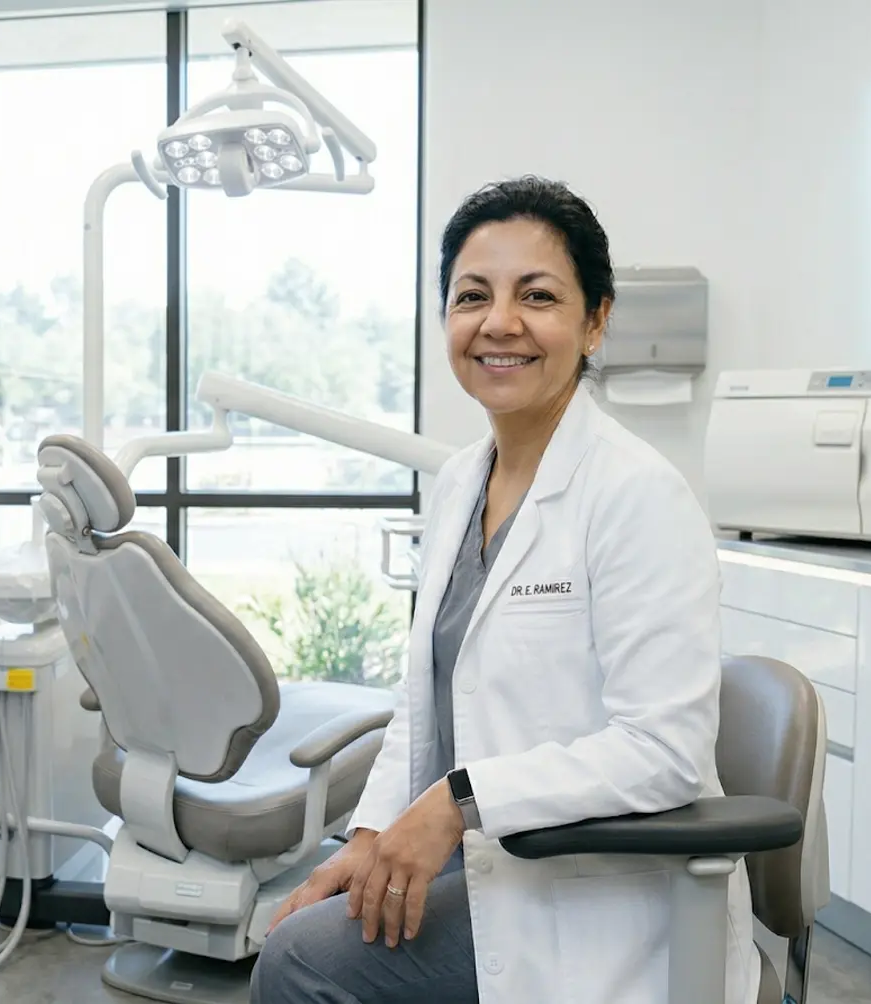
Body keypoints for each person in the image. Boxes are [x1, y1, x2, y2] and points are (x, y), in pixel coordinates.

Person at [251, 176, 759, 1004]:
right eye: (472, 296)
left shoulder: (637, 495)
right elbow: (427, 695)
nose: (500, 323)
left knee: (302, 963)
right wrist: (374, 834)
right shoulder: (458, 482)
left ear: (595, 322)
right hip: (489, 858)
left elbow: (663, 752)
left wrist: (458, 803)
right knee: (308, 918)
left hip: (592, 895)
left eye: (539, 296)